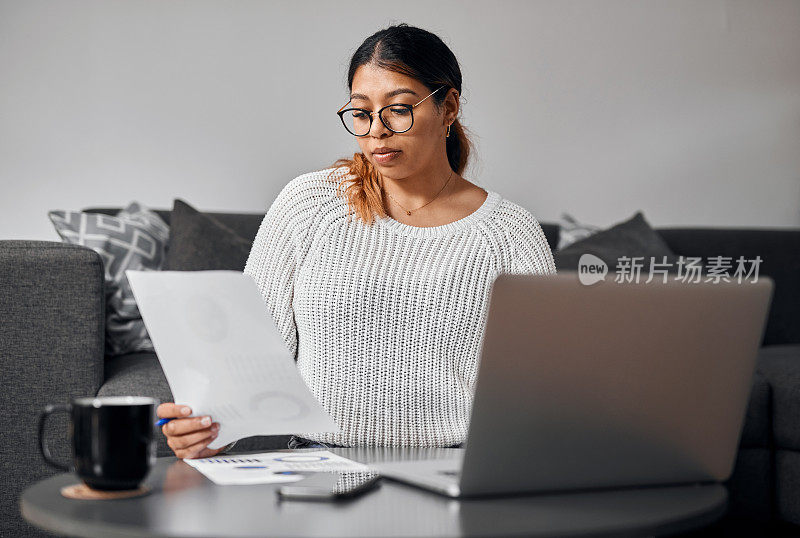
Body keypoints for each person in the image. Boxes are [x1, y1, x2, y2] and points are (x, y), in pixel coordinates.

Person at [158, 23, 556, 459]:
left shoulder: (510, 235)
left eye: (398, 110)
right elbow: (248, 360)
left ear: (449, 108)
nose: (376, 132)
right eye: (362, 113)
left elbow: (536, 394)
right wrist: (205, 429)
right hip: (317, 466)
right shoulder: (309, 204)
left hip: (452, 469)